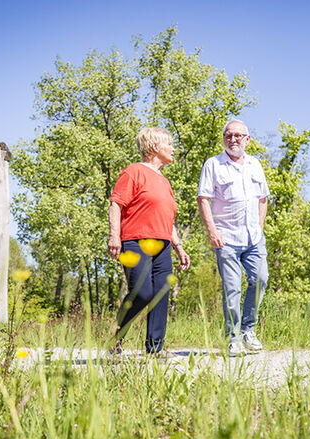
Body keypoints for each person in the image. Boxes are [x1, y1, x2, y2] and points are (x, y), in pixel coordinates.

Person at [108, 127, 190, 355]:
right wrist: (114, 235)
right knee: (142, 293)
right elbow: (116, 204)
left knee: (161, 294)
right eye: (169, 144)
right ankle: (117, 334)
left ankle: (155, 348)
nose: (174, 149)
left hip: (163, 245)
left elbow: (168, 218)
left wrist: (179, 247)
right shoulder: (133, 172)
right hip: (135, 241)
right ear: (155, 147)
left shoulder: (164, 181)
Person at [197, 119, 269, 356]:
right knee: (232, 288)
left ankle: (249, 330)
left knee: (260, 279)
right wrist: (212, 231)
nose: (233, 139)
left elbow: (263, 199)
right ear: (224, 138)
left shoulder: (255, 164)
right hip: (226, 237)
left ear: (247, 139)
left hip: (253, 237)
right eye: (228, 135)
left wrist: (259, 227)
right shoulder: (213, 164)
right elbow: (203, 199)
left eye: (238, 135)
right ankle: (233, 338)